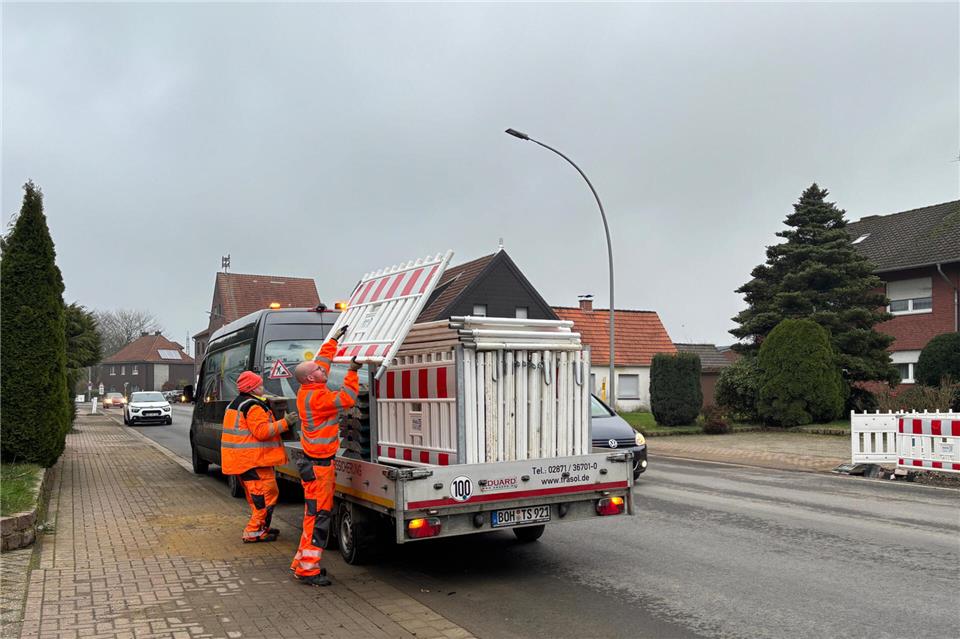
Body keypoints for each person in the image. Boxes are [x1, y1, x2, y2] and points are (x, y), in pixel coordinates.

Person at [290, 326, 360, 586]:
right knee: (320, 518)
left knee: (312, 515)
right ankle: (308, 569)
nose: (324, 370)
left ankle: (301, 561)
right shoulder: (318, 398)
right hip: (319, 469)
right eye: (319, 371)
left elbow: (320, 362)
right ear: (311, 379)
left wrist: (333, 339)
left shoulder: (307, 390)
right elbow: (349, 398)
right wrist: (353, 371)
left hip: (313, 465)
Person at [221, 371, 300, 543]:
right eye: (259, 385)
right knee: (265, 496)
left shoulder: (237, 404)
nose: (262, 387)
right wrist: (285, 423)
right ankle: (253, 531)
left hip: (244, 460)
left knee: (257, 497)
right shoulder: (253, 407)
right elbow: (262, 432)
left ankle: (261, 528)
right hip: (254, 461)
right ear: (251, 388)